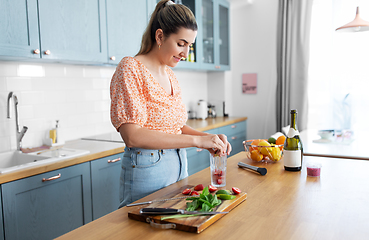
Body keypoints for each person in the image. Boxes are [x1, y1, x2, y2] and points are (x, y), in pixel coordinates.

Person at [110, 0, 231, 208]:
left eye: (189, 46)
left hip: (179, 164)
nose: (185, 53)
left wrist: (209, 139)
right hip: (147, 168)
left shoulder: (171, 75)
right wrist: (197, 142)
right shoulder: (131, 68)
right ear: (159, 36)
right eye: (181, 43)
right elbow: (132, 135)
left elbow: (176, 127)